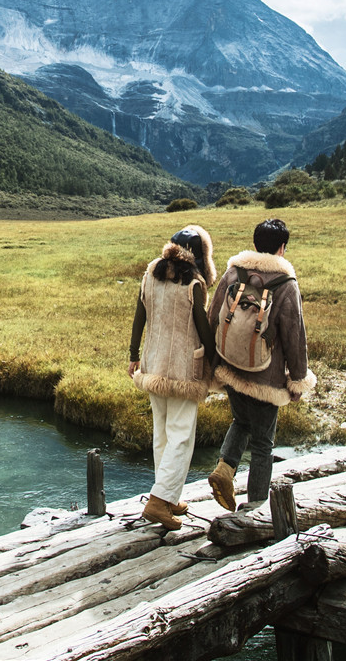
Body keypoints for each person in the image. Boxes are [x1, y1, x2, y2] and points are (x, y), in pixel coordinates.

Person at [207, 218, 315, 512]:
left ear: (255, 244)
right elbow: (295, 336)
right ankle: (255, 506)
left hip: (231, 366)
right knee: (263, 444)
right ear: (282, 248)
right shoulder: (286, 284)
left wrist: (212, 362)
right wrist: (297, 380)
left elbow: (213, 316)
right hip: (265, 377)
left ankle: (224, 469)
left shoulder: (234, 272)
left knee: (241, 421)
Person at [128, 225, 217, 530]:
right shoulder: (194, 283)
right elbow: (202, 327)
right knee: (181, 435)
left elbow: (140, 315)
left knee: (161, 433)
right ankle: (159, 500)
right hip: (183, 369)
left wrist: (133, 355)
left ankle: (167, 496)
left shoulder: (151, 272)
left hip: (153, 364)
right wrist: (214, 359)